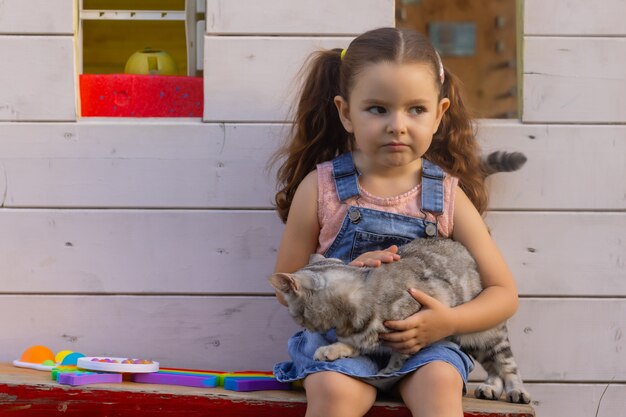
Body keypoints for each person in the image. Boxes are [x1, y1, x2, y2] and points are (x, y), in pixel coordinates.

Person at [270, 27, 519, 417]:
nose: (397, 125)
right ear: (346, 113)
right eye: (378, 109)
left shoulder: (447, 197)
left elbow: (504, 293)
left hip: (425, 345)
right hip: (342, 342)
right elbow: (286, 283)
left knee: (439, 382)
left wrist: (447, 321)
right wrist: (342, 275)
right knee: (334, 392)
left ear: (439, 115)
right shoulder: (321, 188)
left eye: (416, 109)